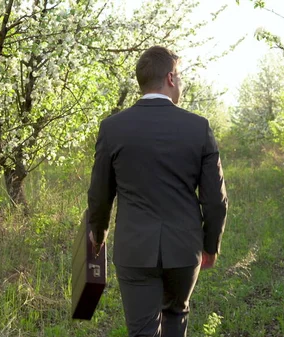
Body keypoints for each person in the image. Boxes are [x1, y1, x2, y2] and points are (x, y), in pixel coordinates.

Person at [86, 45, 228, 337]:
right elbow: (215, 200)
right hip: (184, 248)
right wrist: (210, 246)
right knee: (176, 317)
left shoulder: (112, 128)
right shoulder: (198, 127)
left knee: (142, 331)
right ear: (171, 78)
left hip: (134, 249)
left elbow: (100, 193)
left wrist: (97, 235)